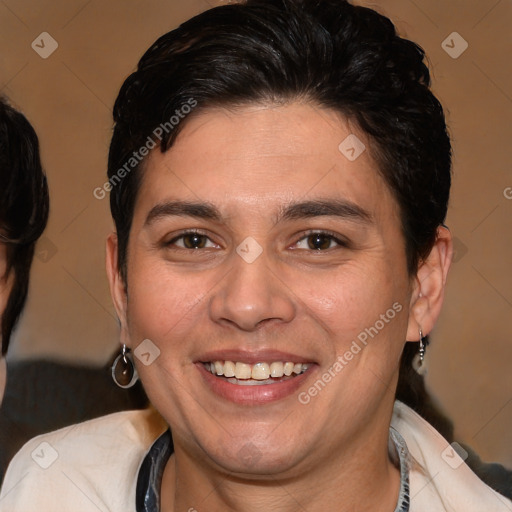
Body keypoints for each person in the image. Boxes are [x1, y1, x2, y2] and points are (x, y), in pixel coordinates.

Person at [1, 0, 511, 510]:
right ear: (121, 285)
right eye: (193, 240)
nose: (247, 305)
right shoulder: (35, 489)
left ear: (423, 285)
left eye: (318, 241)